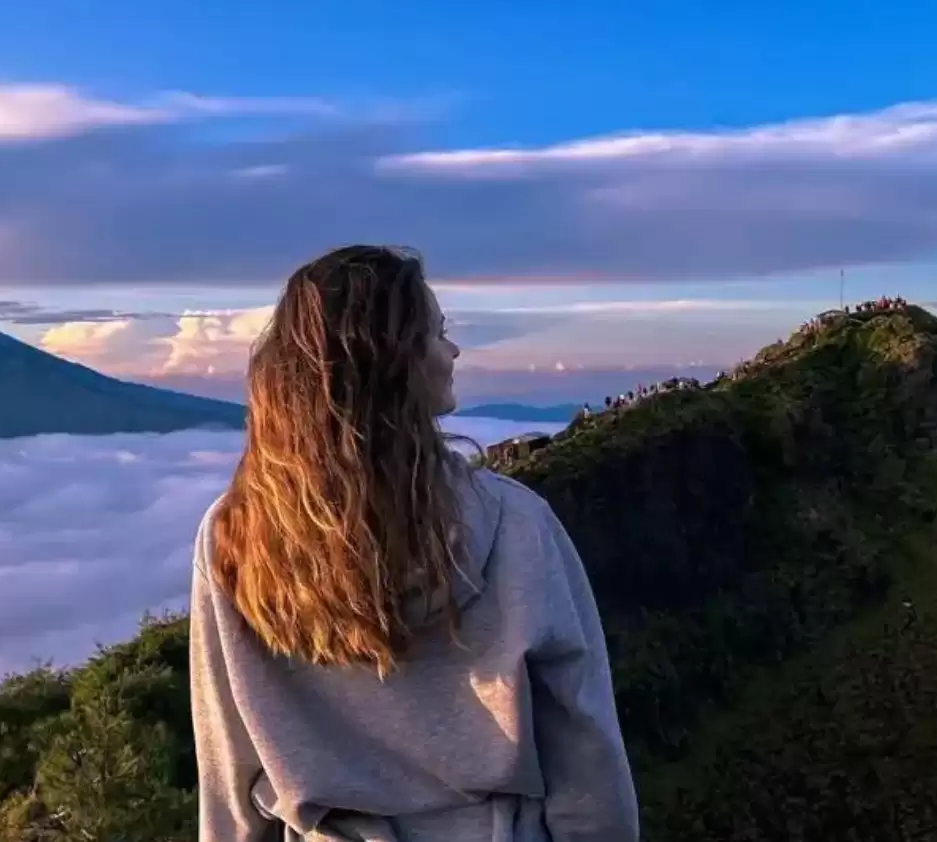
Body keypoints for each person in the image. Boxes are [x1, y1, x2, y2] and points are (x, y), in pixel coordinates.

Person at [191, 245, 639, 842]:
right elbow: (583, 745)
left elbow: (230, 761)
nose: (452, 353)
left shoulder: (238, 536)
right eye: (437, 334)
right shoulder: (515, 523)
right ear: (394, 360)